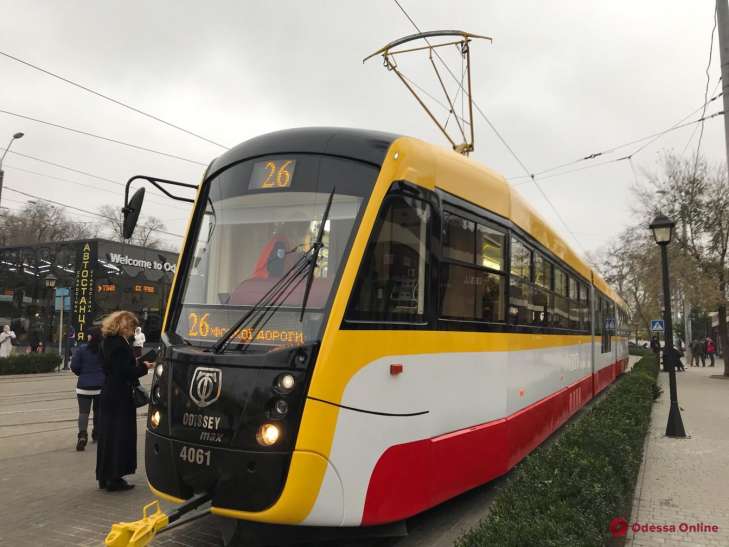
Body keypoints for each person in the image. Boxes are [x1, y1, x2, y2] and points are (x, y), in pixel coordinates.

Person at [96, 311, 154, 492]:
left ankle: (105, 475)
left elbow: (113, 367)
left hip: (108, 392)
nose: (132, 331)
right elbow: (125, 372)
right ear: (123, 325)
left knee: (108, 436)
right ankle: (115, 477)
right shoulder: (120, 344)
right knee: (120, 435)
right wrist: (144, 366)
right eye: (131, 327)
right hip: (120, 396)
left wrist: (134, 363)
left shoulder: (106, 341)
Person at [70, 327, 105, 451]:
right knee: (99, 411)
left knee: (83, 412)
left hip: (84, 386)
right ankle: (97, 434)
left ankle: (82, 436)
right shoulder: (104, 350)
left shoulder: (82, 349)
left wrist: (82, 374)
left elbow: (74, 366)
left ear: (91, 336)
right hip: (100, 386)